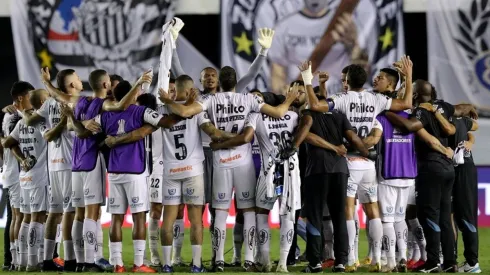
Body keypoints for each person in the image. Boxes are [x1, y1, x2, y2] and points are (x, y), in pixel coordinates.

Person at [159, 65, 299, 271]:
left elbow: (184, 111)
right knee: (248, 211)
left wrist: (168, 100)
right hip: (243, 164)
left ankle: (219, 261)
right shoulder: (249, 100)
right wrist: (289, 99)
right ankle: (249, 260)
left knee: (221, 212)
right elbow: (278, 112)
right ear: (235, 82)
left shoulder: (209, 100)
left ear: (220, 83)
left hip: (220, 163)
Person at [171, 25, 275, 266]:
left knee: (224, 207)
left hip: (218, 153)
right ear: (198, 80)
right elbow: (178, 73)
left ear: (218, 80)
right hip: (203, 154)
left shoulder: (214, 100)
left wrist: (262, 53)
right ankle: (193, 255)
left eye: (213, 75)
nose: (209, 78)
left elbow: (249, 76)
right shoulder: (199, 98)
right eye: (206, 75)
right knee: (206, 206)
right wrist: (174, 46)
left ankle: (234, 256)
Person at [300, 56, 414, 272]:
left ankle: (350, 259)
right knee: (374, 212)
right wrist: (408, 78)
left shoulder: (341, 98)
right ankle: (381, 259)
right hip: (368, 164)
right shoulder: (376, 99)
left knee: (347, 212)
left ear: (347, 80)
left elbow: (315, 105)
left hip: (348, 161)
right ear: (365, 80)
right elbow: (406, 103)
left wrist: (307, 78)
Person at [39, 68, 151, 272]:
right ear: (106, 85)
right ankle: (89, 262)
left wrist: (46, 83)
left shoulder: (79, 101)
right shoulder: (102, 104)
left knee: (78, 214)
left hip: (76, 164)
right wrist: (138, 84)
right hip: (92, 161)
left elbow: (58, 96)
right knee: (91, 214)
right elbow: (121, 105)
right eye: (110, 82)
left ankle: (76, 261)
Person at [383, 80, 477, 273]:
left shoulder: (421, 112)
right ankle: (450, 263)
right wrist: (471, 108)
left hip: (430, 169)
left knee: (430, 217)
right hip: (448, 169)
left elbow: (410, 126)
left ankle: (433, 262)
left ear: (415, 96)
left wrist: (386, 111)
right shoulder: (444, 106)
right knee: (444, 218)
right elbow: (462, 110)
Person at [90, 80, 183, 273]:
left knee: (116, 218)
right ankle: (139, 264)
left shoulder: (104, 116)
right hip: (136, 171)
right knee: (139, 217)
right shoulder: (140, 112)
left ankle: (117, 265)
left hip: (114, 171)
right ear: (133, 95)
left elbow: (89, 133)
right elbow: (167, 122)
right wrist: (183, 109)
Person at [286, 90, 370, 272]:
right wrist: (366, 152)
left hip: (317, 170)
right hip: (340, 170)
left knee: (314, 217)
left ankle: (315, 263)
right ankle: (341, 261)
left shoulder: (308, 114)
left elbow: (306, 136)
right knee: (340, 216)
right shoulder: (340, 115)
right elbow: (353, 138)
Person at [269, 0, 374, 93]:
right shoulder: (283, 27)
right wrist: (283, 98)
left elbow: (363, 69)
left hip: (338, 101)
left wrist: (353, 43)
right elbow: (277, 73)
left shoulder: (346, 25)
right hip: (301, 103)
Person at [3, 88, 49, 272]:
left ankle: (19, 262)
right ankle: (31, 262)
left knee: (24, 219)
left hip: (25, 176)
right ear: (42, 103)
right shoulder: (40, 121)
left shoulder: (22, 121)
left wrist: (22, 158)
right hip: (38, 176)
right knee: (36, 218)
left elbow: (8, 143)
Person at [1, 82, 29, 271]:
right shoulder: (13, 116)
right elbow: (9, 143)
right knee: (16, 216)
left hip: (14, 172)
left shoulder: (9, 114)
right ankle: (13, 260)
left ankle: (12, 260)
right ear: (20, 98)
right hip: (17, 172)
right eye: (29, 96)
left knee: (16, 216)